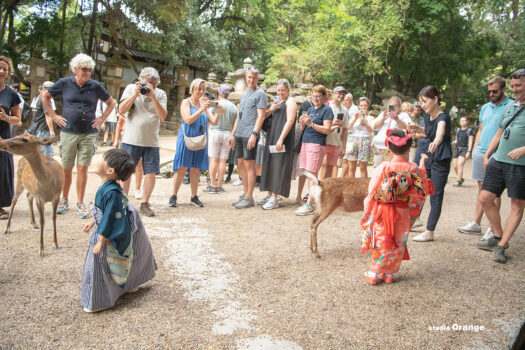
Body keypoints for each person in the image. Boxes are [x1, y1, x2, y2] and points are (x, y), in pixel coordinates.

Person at [80, 148, 157, 313]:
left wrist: (100, 240)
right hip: (112, 227)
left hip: (108, 233)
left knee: (104, 264)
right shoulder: (110, 189)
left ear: (110, 170)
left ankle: (104, 300)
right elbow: (105, 211)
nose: (98, 160)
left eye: (102, 158)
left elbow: (108, 217)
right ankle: (130, 284)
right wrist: (94, 221)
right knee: (122, 262)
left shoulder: (112, 192)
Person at [42, 53, 116, 219]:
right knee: (67, 168)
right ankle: (64, 199)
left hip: (88, 133)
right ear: (75, 69)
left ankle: (80, 202)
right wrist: (54, 116)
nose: (87, 73)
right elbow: (45, 97)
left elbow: (111, 102)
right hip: (68, 132)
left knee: (83, 168)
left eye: (90, 70)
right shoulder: (64, 83)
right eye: (84, 69)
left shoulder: (95, 86)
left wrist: (102, 118)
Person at [360, 129, 432, 284]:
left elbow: (372, 190)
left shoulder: (383, 167)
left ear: (390, 148)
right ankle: (389, 274)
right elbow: (421, 191)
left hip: (383, 209)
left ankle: (373, 274)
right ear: (408, 148)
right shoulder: (413, 169)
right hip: (403, 210)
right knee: (398, 240)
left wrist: (369, 208)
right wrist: (421, 164)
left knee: (382, 239)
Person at [476, 69, 525, 263]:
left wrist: (523, 149)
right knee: (485, 198)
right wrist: (488, 154)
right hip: (499, 160)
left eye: (518, 85)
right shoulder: (511, 106)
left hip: (520, 164)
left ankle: (501, 245)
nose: (515, 89)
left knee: (516, 206)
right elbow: (499, 132)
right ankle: (498, 234)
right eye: (512, 86)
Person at [457, 76, 512, 239]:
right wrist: (475, 150)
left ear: (503, 89)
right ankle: (476, 223)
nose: (491, 94)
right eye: (489, 91)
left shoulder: (510, 106)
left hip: (497, 153)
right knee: (482, 190)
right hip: (481, 151)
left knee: (493, 192)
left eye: (495, 91)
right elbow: (481, 129)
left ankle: (492, 228)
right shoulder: (486, 107)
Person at [118, 67, 167, 217]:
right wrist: (135, 94)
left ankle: (145, 203)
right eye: (148, 84)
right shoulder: (130, 89)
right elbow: (122, 110)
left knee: (151, 173)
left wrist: (153, 96)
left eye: (154, 84)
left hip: (152, 141)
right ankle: (123, 203)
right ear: (140, 80)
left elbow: (163, 115)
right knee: (126, 173)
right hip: (131, 139)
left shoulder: (160, 94)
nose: (151, 86)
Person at [409, 86, 452, 242]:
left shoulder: (443, 117)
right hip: (429, 156)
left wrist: (435, 142)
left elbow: (440, 131)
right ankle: (414, 219)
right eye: (421, 102)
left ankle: (429, 231)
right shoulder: (428, 116)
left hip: (441, 157)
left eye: (425, 101)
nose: (423, 105)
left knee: (435, 194)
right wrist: (417, 128)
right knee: (420, 187)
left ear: (435, 99)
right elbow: (428, 130)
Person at [169, 78, 219, 208]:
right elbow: (188, 120)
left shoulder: (203, 104)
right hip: (187, 138)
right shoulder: (186, 102)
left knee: (196, 169)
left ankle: (194, 196)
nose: (201, 92)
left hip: (200, 139)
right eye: (199, 89)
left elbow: (214, 121)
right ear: (192, 89)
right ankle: (173, 195)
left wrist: (218, 110)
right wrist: (202, 109)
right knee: (181, 168)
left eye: (203, 89)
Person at [229, 66, 268, 209]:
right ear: (246, 77)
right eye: (249, 77)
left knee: (249, 165)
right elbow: (239, 116)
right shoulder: (244, 94)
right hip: (239, 133)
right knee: (240, 164)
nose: (251, 80)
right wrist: (233, 133)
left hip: (250, 135)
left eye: (254, 78)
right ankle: (245, 193)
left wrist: (254, 134)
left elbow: (261, 116)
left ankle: (250, 196)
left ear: (258, 78)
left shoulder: (261, 94)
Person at [258, 79, 297, 209]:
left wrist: (280, 139)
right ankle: (270, 194)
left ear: (288, 90)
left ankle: (275, 197)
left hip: (283, 138)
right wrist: (271, 109)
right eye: (278, 90)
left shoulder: (290, 102)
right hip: (272, 136)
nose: (280, 92)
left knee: (279, 165)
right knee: (270, 164)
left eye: (283, 90)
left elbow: (290, 121)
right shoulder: (276, 102)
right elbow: (265, 117)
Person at [295, 85, 333, 216]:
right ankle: (311, 202)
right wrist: (302, 124)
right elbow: (302, 129)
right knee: (307, 174)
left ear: (324, 97)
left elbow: (327, 130)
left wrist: (311, 124)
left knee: (312, 175)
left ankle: (309, 204)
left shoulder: (327, 110)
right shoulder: (310, 109)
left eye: (318, 96)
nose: (316, 98)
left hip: (316, 144)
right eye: (314, 96)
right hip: (306, 142)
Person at [0, 56, 22, 220]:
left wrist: (6, 118)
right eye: (0, 67)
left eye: (5, 69)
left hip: (3, 136)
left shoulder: (11, 94)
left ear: (8, 73)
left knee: (2, 170)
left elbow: (18, 119)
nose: (2, 71)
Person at [206, 84, 237, 193]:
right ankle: (219, 185)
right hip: (227, 134)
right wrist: (233, 134)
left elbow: (210, 119)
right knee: (223, 161)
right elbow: (235, 122)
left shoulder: (215, 104)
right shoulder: (233, 106)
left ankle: (212, 184)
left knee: (213, 159)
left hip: (215, 132)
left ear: (219, 92)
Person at [372, 96, 412, 167]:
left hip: (394, 148)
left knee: (392, 170)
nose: (393, 107)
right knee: (378, 169)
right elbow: (374, 127)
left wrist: (397, 119)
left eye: (396, 105)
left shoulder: (404, 115)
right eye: (391, 105)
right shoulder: (383, 114)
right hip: (379, 147)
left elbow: (406, 128)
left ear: (399, 106)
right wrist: (382, 119)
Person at [318, 86, 348, 180]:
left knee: (331, 166)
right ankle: (319, 188)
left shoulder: (345, 110)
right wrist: (332, 124)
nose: (341, 95)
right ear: (333, 94)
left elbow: (345, 130)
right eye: (339, 93)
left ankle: (325, 188)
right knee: (322, 165)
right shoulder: (326, 106)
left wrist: (343, 147)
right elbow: (319, 123)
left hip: (336, 142)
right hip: (324, 140)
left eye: (343, 93)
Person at [342, 96, 374, 178]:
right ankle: (351, 187)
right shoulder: (354, 116)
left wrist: (365, 123)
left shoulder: (370, 118)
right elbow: (348, 128)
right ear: (358, 106)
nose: (363, 107)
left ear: (368, 106)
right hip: (354, 140)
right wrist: (355, 119)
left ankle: (363, 187)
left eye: (365, 105)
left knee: (363, 168)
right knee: (351, 168)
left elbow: (371, 131)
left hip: (365, 141)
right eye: (361, 105)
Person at [114, 111, 143, 199]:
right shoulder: (125, 109)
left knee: (139, 165)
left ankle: (137, 189)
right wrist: (116, 140)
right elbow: (119, 125)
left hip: (138, 137)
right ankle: (119, 187)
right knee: (122, 164)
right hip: (125, 138)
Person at [26, 81, 56, 157]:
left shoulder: (38, 98)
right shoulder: (45, 99)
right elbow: (48, 116)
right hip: (43, 130)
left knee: (38, 155)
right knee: (48, 156)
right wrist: (51, 131)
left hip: (35, 128)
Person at [452, 116, 474, 187]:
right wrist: (455, 142)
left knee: (460, 164)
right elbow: (457, 139)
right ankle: (460, 178)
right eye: (461, 121)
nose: (462, 122)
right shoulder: (458, 130)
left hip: (465, 149)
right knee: (454, 166)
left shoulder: (469, 131)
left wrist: (469, 151)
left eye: (464, 120)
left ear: (467, 122)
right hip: (457, 148)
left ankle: (458, 181)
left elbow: (470, 142)